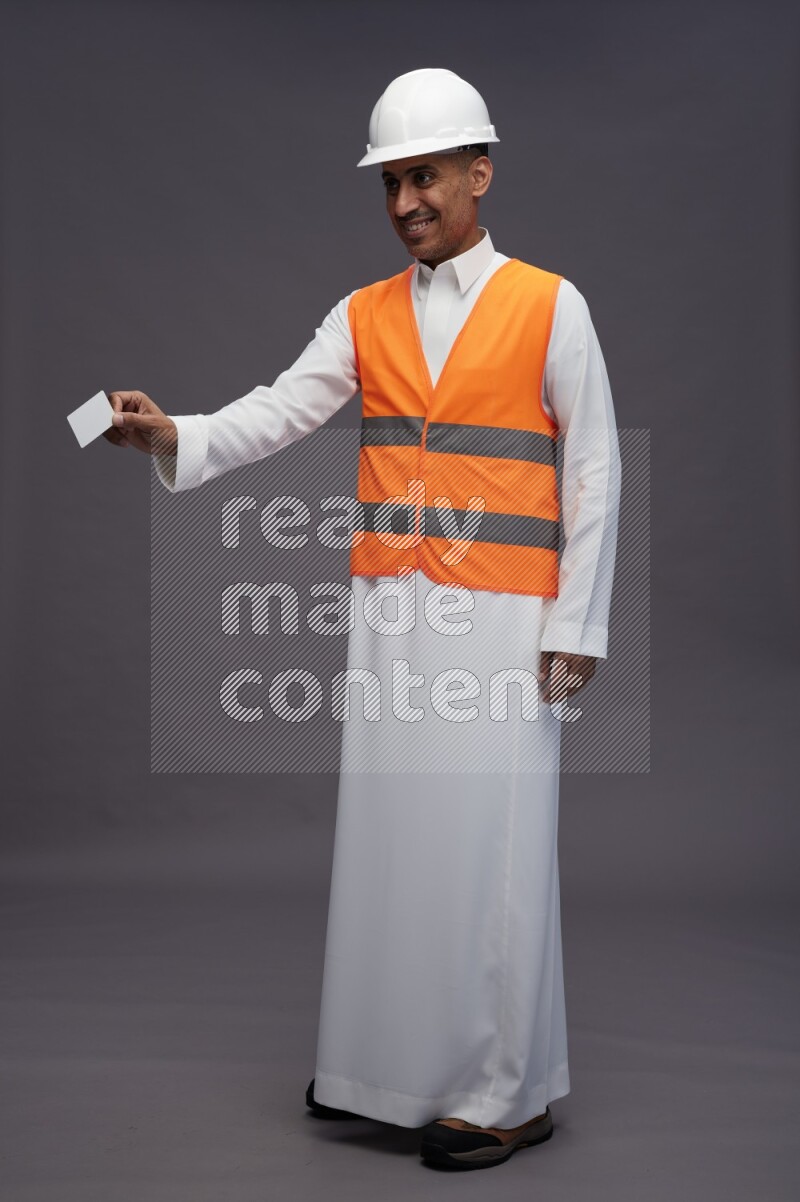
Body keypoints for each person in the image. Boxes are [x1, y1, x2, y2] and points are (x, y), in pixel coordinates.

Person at [104, 67, 621, 1171]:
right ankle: (380, 1071)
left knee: (494, 852)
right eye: (391, 183)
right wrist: (172, 435)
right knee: (396, 842)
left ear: (478, 171)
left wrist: (577, 622)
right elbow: (281, 408)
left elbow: (592, 469)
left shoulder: (549, 303)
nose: (404, 203)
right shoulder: (364, 311)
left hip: (504, 621)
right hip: (392, 611)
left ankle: (507, 1090)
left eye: (424, 176)